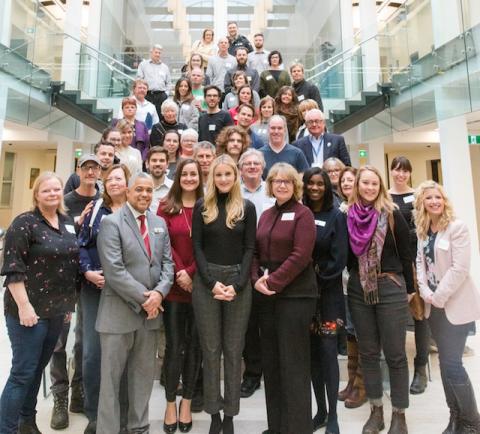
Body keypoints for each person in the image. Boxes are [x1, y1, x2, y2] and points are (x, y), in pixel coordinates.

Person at [0, 172, 79, 434]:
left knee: (36, 369)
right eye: (47, 190)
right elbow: (13, 269)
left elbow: (69, 265)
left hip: (56, 310)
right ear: (37, 194)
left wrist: (67, 305)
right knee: (23, 372)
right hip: (28, 311)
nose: (53, 194)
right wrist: (24, 306)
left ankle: (27, 421)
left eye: (57, 189)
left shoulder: (67, 222)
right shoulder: (24, 223)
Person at [96, 172, 174, 434]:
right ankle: (108, 430)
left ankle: (139, 428)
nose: (144, 195)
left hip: (150, 317)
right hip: (118, 315)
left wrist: (159, 294)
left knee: (141, 380)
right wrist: (147, 299)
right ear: (128, 192)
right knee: (111, 381)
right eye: (139, 189)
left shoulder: (159, 223)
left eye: (149, 190)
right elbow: (114, 271)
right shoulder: (111, 223)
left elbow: (168, 265)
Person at [346, 165, 414, 434]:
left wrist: (408, 289)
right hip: (358, 289)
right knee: (369, 353)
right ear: (357, 185)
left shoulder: (393, 214)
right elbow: (347, 258)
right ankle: (376, 411)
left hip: (390, 287)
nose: (370, 188)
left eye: (375, 183)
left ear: (381, 186)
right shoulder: (347, 216)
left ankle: (400, 414)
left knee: (396, 355)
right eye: (365, 183)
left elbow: (406, 255)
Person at [192, 155, 256, 434]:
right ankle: (214, 413)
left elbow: (249, 249)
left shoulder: (247, 207)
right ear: (212, 178)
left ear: (236, 176)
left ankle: (230, 414)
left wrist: (238, 285)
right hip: (207, 282)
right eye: (218, 175)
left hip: (237, 282)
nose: (223, 179)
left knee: (232, 350)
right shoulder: (201, 207)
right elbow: (197, 248)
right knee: (210, 350)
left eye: (228, 174)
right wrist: (210, 282)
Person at [251, 162, 317, 434]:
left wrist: (274, 281)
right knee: (272, 363)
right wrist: (256, 279)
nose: (281, 185)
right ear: (270, 185)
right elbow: (254, 251)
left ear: (295, 185)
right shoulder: (266, 215)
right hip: (267, 297)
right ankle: (276, 426)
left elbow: (301, 255)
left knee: (293, 364)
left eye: (287, 181)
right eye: (276, 181)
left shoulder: (303, 215)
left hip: (296, 297)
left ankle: (298, 428)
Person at [414, 180, 480, 433]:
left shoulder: (457, 227)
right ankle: (455, 417)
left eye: (438, 197)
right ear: (422, 203)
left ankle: (472, 422)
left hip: (454, 305)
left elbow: (460, 268)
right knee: (444, 363)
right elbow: (420, 264)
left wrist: (438, 296)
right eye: (429, 198)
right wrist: (424, 289)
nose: (434, 202)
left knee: (453, 363)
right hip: (434, 306)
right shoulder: (424, 229)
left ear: (444, 201)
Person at [48, 155, 101, 430]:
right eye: (86, 167)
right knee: (59, 340)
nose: (91, 171)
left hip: (92, 282)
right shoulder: (65, 201)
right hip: (64, 279)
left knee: (84, 340)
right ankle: (60, 396)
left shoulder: (104, 199)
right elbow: (53, 238)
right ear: (78, 171)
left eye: (96, 167)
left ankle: (79, 390)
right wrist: (77, 223)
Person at [78, 164, 131, 434]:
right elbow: (82, 244)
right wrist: (87, 271)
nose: (113, 183)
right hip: (95, 290)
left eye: (118, 178)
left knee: (121, 354)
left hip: (126, 293)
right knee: (92, 354)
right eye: (109, 179)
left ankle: (120, 413)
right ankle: (95, 414)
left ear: (127, 182)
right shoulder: (96, 209)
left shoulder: (137, 210)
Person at [157, 159, 204, 434]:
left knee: (196, 346)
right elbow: (163, 244)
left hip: (200, 287)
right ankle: (170, 403)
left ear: (200, 177)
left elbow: (209, 245)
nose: (188, 178)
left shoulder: (208, 205)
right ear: (177, 177)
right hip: (174, 287)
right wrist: (181, 273)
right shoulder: (166, 206)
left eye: (193, 174)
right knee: (174, 347)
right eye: (184, 174)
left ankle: (187, 401)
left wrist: (193, 273)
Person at [303, 167, 348, 434]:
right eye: (311, 183)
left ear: (327, 186)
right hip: (305, 299)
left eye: (320, 184)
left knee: (329, 355)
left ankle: (333, 415)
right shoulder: (301, 212)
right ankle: (319, 410)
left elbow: (339, 257)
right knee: (312, 357)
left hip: (328, 297)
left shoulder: (335, 216)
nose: (315, 188)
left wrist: (318, 278)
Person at [388, 156, 430, 395]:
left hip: (417, 262)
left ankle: (421, 367)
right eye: (397, 170)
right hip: (394, 263)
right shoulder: (385, 196)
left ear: (410, 173)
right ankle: (398, 369)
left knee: (420, 316)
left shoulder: (418, 195)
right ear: (391, 172)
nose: (401, 174)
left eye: (405, 170)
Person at [238, 149, 274, 400]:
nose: (252, 167)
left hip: (271, 262)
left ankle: (272, 372)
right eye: (247, 163)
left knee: (270, 322)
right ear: (240, 168)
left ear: (263, 167)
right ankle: (251, 374)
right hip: (241, 261)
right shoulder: (233, 192)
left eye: (256, 163)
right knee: (248, 323)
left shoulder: (272, 190)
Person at [337, 167, 367, 410]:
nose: (347, 183)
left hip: (363, 279)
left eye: (351, 179)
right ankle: (351, 381)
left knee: (362, 331)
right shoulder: (340, 210)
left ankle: (362, 385)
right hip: (344, 281)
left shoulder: (363, 211)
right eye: (343, 180)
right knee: (350, 331)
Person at [137, 44, 171, 118]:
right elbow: (139, 80)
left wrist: (166, 94)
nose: (158, 54)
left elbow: (168, 83)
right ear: (151, 52)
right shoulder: (143, 65)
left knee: (161, 117)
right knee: (147, 116)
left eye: (159, 53)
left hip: (161, 96)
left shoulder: (165, 67)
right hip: (148, 95)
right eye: (156, 52)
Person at [145, 146, 173, 213]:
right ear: (147, 164)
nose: (158, 164)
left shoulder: (174, 187)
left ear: (167, 164)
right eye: (154, 160)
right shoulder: (138, 187)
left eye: (162, 161)